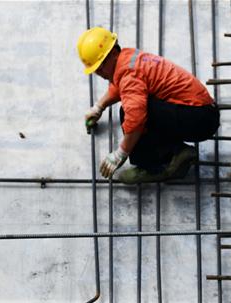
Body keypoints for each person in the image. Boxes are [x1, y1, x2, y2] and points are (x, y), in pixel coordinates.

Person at [77, 27, 220, 185]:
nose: (101, 74)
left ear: (112, 53)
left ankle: (153, 167)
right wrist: (99, 107)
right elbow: (122, 85)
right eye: (96, 71)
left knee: (131, 113)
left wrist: (121, 153)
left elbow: (135, 118)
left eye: (101, 67)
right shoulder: (128, 59)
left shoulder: (128, 73)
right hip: (201, 113)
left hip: (199, 118)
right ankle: (178, 152)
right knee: (137, 107)